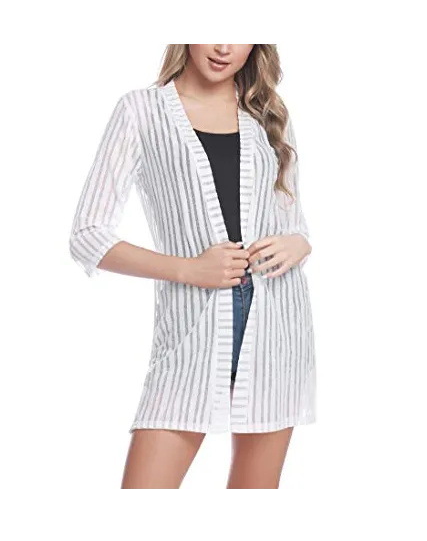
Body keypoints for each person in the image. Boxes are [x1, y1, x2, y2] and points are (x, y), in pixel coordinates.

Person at [69, 42, 316, 489]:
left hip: (278, 324)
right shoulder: (141, 111)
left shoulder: (267, 113)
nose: (223, 47)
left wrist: (300, 243)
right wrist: (188, 269)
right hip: (191, 328)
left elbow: (293, 221)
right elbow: (88, 235)